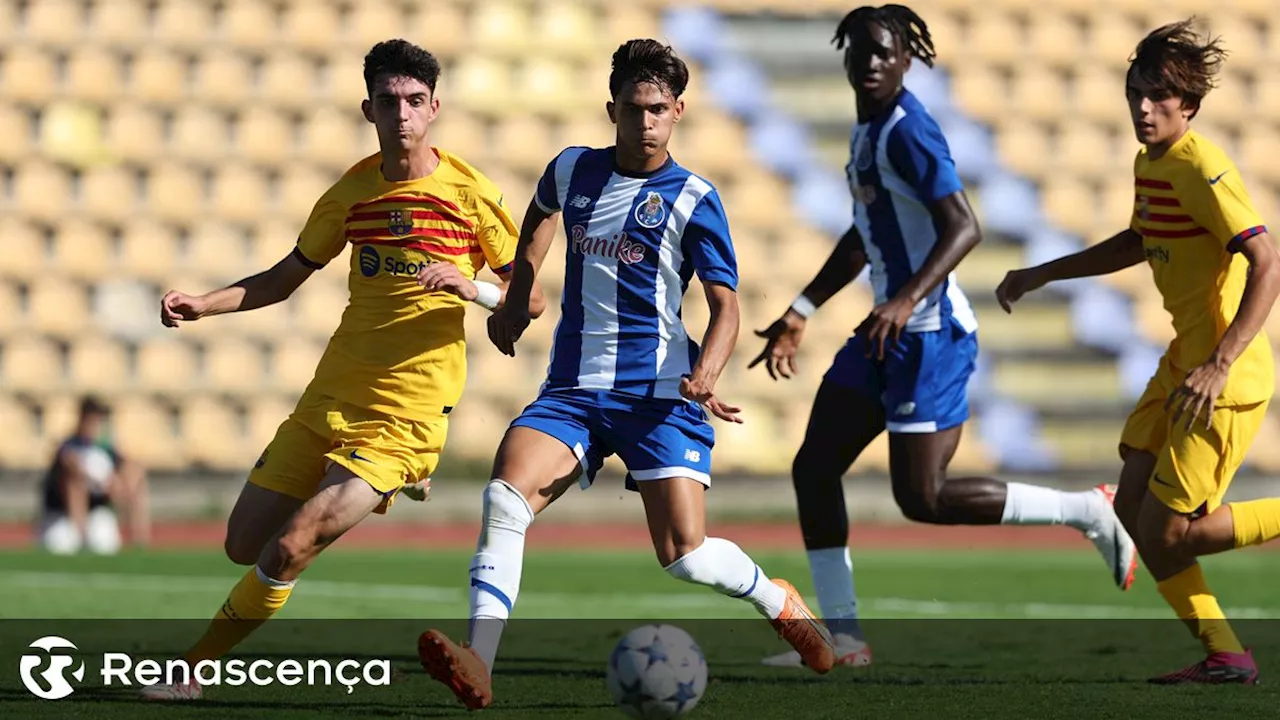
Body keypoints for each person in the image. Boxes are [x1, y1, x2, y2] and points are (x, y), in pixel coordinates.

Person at [417, 39, 837, 711]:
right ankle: (479, 661)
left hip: (661, 395)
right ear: (612, 107)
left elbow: (727, 306)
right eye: (634, 110)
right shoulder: (572, 170)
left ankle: (776, 598)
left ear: (679, 112)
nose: (646, 124)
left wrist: (706, 371)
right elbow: (536, 229)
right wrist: (517, 304)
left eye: (660, 111)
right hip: (574, 392)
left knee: (685, 555)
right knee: (504, 499)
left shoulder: (694, 197)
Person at [141, 39, 544, 700]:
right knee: (243, 544)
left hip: (406, 416)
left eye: (416, 101)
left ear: (435, 107)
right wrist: (203, 303)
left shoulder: (470, 195)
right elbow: (284, 277)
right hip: (329, 399)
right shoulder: (350, 194)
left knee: (292, 545)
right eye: (390, 102)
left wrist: (474, 290)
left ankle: (193, 671)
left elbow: (529, 297)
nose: (403, 114)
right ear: (369, 109)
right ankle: (358, 490)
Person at [751, 4, 1138, 669]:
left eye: (884, 53)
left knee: (921, 499)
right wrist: (802, 306)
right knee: (814, 467)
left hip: (929, 336)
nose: (871, 64)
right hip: (884, 332)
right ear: (844, 56)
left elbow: (964, 226)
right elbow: (864, 233)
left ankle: (1088, 508)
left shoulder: (908, 131)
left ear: (907, 60)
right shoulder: (868, 130)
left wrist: (903, 301)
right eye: (861, 52)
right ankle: (843, 641)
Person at [998, 19, 1280, 684]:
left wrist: (1220, 363)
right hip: (1184, 361)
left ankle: (1227, 652)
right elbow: (1138, 240)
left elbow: (1267, 262)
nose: (1143, 108)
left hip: (1223, 375)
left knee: (1168, 534)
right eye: (1135, 93)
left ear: (1189, 105)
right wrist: (1045, 272)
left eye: (1158, 96)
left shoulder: (1202, 165)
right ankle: (1226, 654)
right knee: (1131, 511)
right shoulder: (1149, 162)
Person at [37, 396, 149, 555]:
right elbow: (72, 468)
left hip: (96, 514)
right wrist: (105, 482)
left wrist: (122, 484)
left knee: (104, 543)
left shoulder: (106, 449)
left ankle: (140, 543)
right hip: (62, 518)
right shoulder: (69, 446)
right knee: (63, 545)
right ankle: (79, 538)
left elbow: (131, 468)